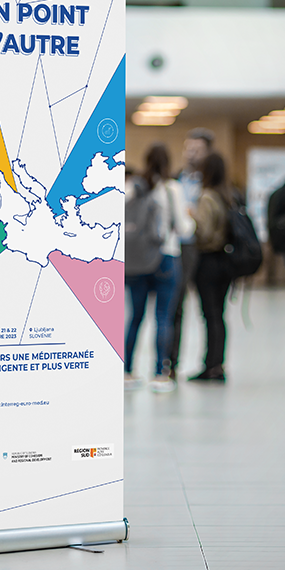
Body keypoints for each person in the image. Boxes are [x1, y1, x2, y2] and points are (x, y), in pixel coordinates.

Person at [124, 144, 194, 393]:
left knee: (135, 317)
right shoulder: (172, 188)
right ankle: (160, 374)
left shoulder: (132, 187)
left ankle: (126, 371)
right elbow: (185, 229)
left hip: (136, 261)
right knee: (163, 316)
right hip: (166, 257)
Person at [169, 128, 214, 380]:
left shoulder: (213, 183)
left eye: (197, 150)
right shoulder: (176, 179)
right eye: (188, 148)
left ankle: (212, 365)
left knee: (210, 310)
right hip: (181, 247)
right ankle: (171, 364)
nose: (191, 154)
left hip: (206, 248)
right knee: (175, 305)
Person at [189, 152, 235, 382]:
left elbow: (204, 232)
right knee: (219, 314)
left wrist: (192, 218)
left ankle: (211, 365)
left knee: (210, 314)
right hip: (225, 261)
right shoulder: (227, 196)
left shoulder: (207, 197)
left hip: (208, 261)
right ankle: (217, 363)